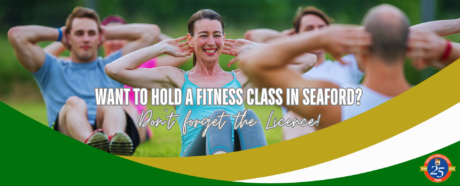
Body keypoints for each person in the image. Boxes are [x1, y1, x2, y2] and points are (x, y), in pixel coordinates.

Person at [105, 9, 316, 157]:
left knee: (248, 116)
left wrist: (255, 48)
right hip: (196, 159)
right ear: (191, 40)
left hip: (237, 157)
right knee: (219, 116)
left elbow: (308, 60)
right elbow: (114, 69)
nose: (211, 42)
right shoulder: (176, 79)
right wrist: (160, 47)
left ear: (224, 39)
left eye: (216, 35)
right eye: (203, 35)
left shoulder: (241, 78)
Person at [240, 4, 459, 129]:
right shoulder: (438, 104)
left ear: (359, 51)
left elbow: (253, 63)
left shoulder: (334, 103)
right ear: (415, 55)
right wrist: (445, 51)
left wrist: (320, 38)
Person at [8, 7, 161, 155]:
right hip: (68, 132)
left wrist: (105, 33)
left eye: (91, 33)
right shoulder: (50, 67)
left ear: (99, 37)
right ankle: (92, 145)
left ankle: (115, 143)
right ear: (69, 37)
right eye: (79, 33)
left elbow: (152, 32)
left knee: (110, 101)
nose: (86, 39)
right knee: (74, 102)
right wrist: (60, 33)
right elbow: (16, 35)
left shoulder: (113, 66)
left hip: (108, 125)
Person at [42, 15, 192, 143]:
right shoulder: (94, 65)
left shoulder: (143, 64)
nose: (116, 41)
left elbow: (185, 54)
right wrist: (67, 37)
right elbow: (45, 58)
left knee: (124, 105)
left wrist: (159, 40)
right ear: (102, 40)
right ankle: (107, 140)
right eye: (112, 38)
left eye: (121, 37)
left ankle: (118, 139)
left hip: (135, 122)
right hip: (107, 120)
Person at [246, 6, 364, 140]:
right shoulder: (290, 69)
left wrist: (328, 33)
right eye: (309, 29)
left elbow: (371, 33)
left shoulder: (347, 64)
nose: (317, 33)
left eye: (321, 28)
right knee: (296, 115)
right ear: (296, 35)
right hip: (304, 129)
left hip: (343, 127)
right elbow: (253, 36)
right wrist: (289, 38)